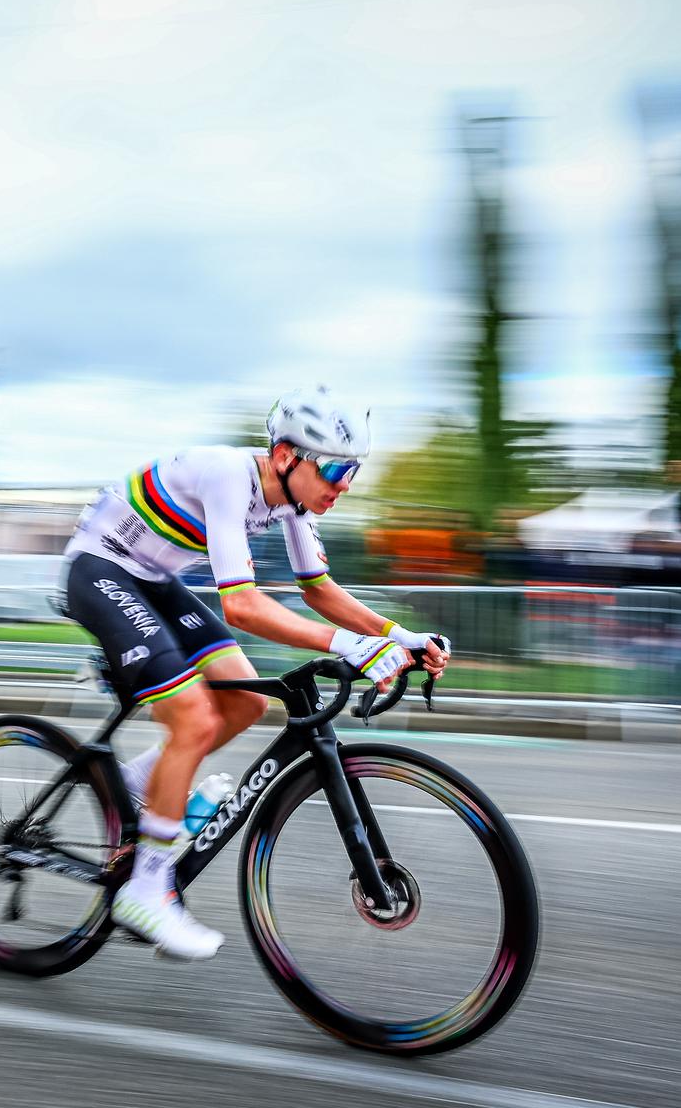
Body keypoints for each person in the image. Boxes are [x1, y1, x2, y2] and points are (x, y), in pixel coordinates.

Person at [60, 386, 451, 960]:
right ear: (289, 456)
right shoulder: (227, 474)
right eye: (337, 468)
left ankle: (144, 784)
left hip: (153, 581)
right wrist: (352, 648)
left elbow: (318, 590)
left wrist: (395, 637)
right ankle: (146, 887)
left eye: (354, 472)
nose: (344, 484)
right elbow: (241, 607)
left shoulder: (292, 502)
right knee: (193, 719)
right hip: (99, 570)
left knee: (245, 702)